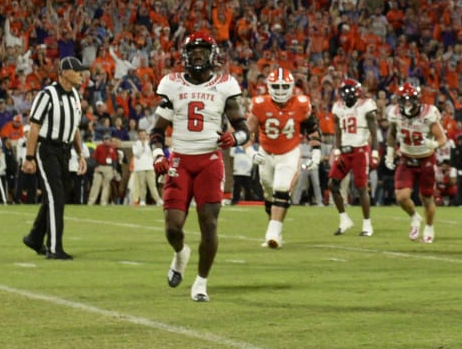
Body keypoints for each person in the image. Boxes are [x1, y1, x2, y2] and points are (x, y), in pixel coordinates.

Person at [148, 32, 246, 300]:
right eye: (193, 51)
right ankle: (181, 254)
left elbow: (244, 129)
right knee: (172, 228)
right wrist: (158, 155)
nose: (197, 55)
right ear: (185, 55)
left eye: (202, 50)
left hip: (209, 161)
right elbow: (156, 131)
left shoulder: (225, 85)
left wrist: (234, 138)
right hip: (179, 160)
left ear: (212, 54)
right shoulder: (173, 83)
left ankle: (201, 282)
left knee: (209, 223)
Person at [22, 56, 87, 260]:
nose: (81, 75)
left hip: (65, 151)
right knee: (56, 197)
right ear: (65, 72)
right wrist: (29, 157)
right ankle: (54, 247)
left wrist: (80, 154)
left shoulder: (75, 96)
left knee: (56, 196)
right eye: (77, 71)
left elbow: (74, 127)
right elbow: (34, 126)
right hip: (48, 149)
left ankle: (34, 237)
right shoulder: (47, 94)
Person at [251, 66, 316, 249]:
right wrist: (250, 151)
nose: (280, 91)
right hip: (266, 153)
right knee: (269, 191)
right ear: (270, 87)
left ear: (291, 87)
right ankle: (275, 227)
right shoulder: (260, 104)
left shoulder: (301, 103)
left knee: (282, 187)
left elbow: (312, 127)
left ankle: (273, 232)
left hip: (289, 152)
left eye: (283, 86)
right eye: (276, 86)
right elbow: (248, 129)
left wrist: (316, 152)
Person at [388, 84, 447, 244]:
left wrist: (433, 145)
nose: (406, 104)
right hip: (406, 158)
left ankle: (429, 227)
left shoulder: (428, 114)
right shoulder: (395, 113)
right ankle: (415, 217)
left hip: (425, 159)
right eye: (403, 100)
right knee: (401, 197)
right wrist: (389, 151)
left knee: (426, 198)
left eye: (409, 100)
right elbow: (392, 133)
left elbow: (442, 139)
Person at [329, 78, 380, 235]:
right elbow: (337, 130)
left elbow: (374, 130)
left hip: (360, 151)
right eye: (345, 92)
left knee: (361, 187)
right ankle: (344, 219)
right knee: (333, 183)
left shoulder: (366, 105)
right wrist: (337, 149)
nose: (347, 96)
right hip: (345, 152)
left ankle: (367, 224)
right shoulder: (338, 107)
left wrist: (375, 151)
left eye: (350, 92)